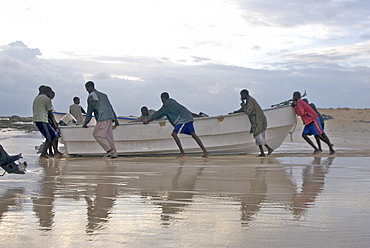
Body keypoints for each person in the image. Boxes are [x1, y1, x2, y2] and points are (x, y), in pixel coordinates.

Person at [143, 92, 209, 158]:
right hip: (188, 117)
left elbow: (159, 113)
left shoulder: (167, 104)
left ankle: (183, 153)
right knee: (193, 134)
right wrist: (197, 116)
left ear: (163, 99)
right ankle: (205, 152)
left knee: (174, 134)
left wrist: (148, 120)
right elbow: (182, 109)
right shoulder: (172, 101)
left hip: (183, 119)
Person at [82, 81, 119, 158]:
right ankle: (114, 154)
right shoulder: (104, 95)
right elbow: (110, 106)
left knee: (96, 134)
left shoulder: (91, 96)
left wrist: (86, 122)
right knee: (108, 136)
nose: (86, 91)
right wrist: (115, 118)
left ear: (90, 87)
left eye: (87, 89)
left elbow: (90, 110)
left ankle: (108, 150)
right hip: (110, 116)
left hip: (102, 117)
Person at [233, 89, 274, 157]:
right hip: (256, 121)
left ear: (244, 94)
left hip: (258, 121)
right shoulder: (249, 101)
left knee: (258, 136)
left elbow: (248, 111)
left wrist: (243, 104)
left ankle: (269, 148)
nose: (241, 97)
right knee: (256, 136)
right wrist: (236, 112)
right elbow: (245, 109)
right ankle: (262, 153)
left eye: (241, 95)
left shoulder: (250, 101)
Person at [32, 86, 60, 158]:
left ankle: (48, 153)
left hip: (37, 119)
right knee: (50, 136)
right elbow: (50, 113)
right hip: (42, 120)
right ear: (47, 92)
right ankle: (43, 154)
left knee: (51, 136)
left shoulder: (37, 98)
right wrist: (55, 124)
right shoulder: (46, 99)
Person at [46, 90, 63, 157]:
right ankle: (55, 151)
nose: (53, 96)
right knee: (54, 137)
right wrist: (55, 124)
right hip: (49, 121)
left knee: (49, 138)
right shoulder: (48, 101)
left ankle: (51, 151)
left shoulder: (47, 101)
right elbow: (50, 114)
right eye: (53, 95)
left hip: (47, 121)